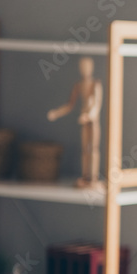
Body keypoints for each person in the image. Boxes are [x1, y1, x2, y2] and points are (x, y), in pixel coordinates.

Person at [46, 56, 103, 187]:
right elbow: (70, 105)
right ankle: (85, 177)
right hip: (84, 119)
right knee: (85, 150)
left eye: (87, 67)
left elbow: (96, 104)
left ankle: (93, 178)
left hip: (92, 121)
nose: (84, 70)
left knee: (93, 149)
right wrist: (56, 113)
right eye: (82, 67)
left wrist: (89, 115)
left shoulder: (96, 84)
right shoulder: (78, 85)